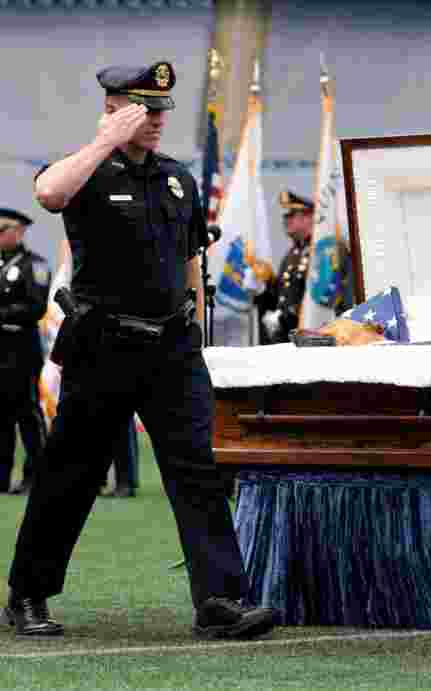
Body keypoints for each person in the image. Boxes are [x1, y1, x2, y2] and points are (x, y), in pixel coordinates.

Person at [5, 61, 275, 639]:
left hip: (172, 349)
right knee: (69, 475)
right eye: (144, 111)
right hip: (103, 344)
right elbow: (48, 193)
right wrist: (105, 140)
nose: (156, 121)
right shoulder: (85, 172)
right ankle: (28, 593)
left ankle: (221, 601)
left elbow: (190, 259)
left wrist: (196, 327)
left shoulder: (178, 179)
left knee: (198, 472)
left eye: (160, 111)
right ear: (113, 110)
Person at [0, 208, 49, 495]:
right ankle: (2, 477)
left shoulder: (34, 265)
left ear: (18, 232)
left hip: (20, 350)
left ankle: (36, 476)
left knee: (27, 414)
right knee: (1, 418)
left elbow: (35, 305)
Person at [249, 191, 313, 344]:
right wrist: (263, 286)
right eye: (285, 215)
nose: (286, 220)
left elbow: (314, 300)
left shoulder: (318, 253)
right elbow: (280, 296)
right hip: (287, 338)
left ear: (309, 217)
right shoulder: (291, 255)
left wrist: (284, 318)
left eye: (291, 214)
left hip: (309, 336)